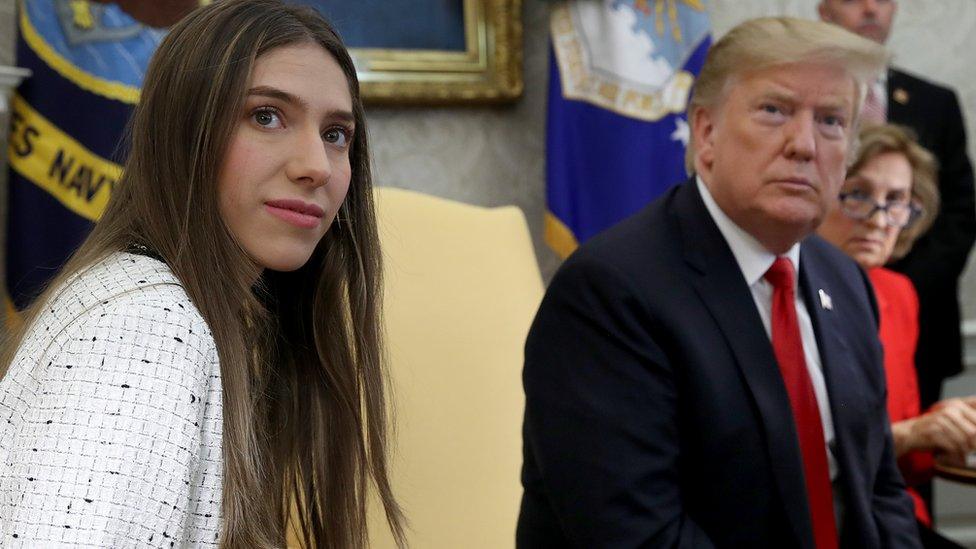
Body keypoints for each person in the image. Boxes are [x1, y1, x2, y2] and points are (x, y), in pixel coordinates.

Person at [0, 1, 403, 547]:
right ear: (182, 134)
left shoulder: (170, 309)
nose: (317, 165)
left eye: (336, 134)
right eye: (266, 116)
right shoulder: (145, 326)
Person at [518, 17, 921, 548]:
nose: (803, 145)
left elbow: (878, 489)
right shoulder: (609, 293)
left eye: (830, 121)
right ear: (706, 133)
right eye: (774, 111)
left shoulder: (844, 280)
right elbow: (639, 535)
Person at [817, 124, 976, 549]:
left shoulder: (898, 293)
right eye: (858, 194)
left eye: (896, 201)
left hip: (895, 516)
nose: (878, 219)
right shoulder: (783, 291)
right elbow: (797, 454)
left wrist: (951, 427)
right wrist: (915, 432)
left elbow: (904, 456)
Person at [818, 0, 976, 411]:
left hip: (921, 311)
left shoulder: (935, 102)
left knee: (917, 451)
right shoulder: (807, 101)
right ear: (824, 10)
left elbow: (960, 212)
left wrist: (896, 285)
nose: (870, 8)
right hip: (820, 298)